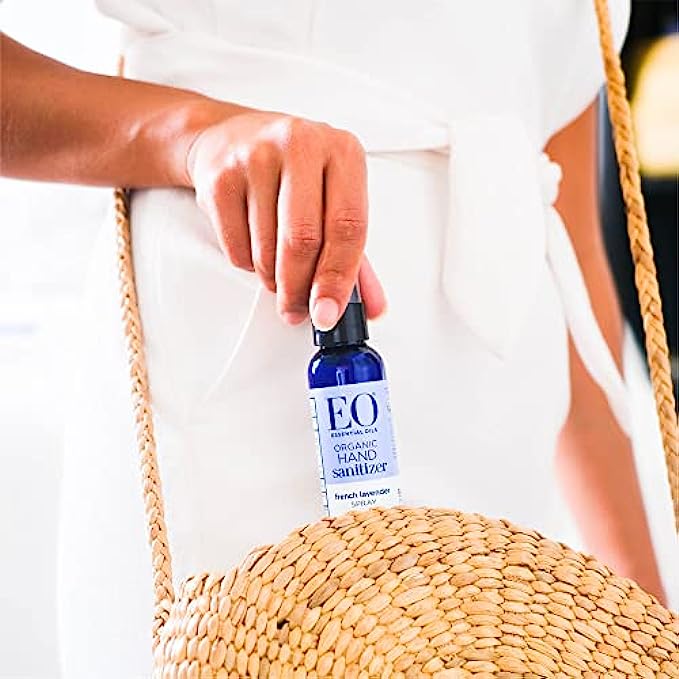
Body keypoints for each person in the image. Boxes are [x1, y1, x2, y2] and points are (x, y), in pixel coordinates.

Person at [1, 2, 675, 675]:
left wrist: (642, 621)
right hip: (251, 349)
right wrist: (194, 135)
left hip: (502, 416)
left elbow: (570, 238)